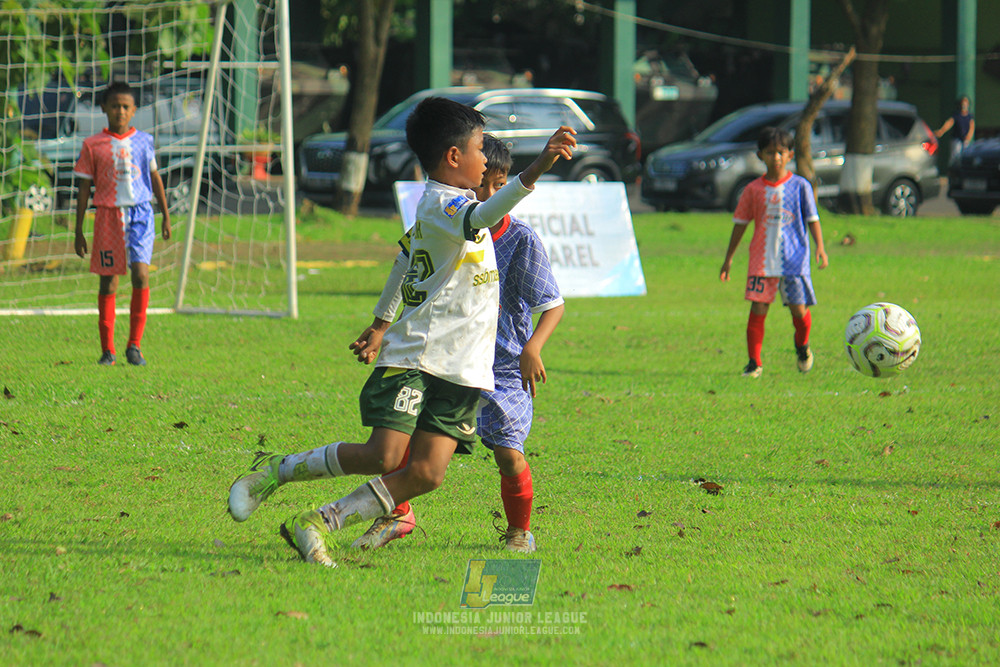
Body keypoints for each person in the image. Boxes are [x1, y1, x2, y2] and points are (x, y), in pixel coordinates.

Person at [227, 97, 576, 566]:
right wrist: (539, 167)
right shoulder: (443, 205)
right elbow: (477, 220)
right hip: (418, 357)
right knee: (384, 454)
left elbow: (405, 263)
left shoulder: (462, 208)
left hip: (466, 369)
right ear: (454, 157)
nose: (485, 159)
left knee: (429, 473)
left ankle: (316, 522)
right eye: (478, 150)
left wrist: (377, 322)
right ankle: (277, 471)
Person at [348, 134, 565, 554]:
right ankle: (397, 515)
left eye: (497, 186)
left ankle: (519, 529)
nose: (486, 194)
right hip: (446, 359)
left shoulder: (520, 240)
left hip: (501, 368)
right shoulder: (445, 219)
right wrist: (380, 324)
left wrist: (532, 347)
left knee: (508, 454)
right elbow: (406, 262)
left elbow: (552, 304)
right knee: (401, 444)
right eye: (480, 185)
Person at [73, 81, 171, 366]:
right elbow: (83, 188)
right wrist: (79, 229)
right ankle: (108, 351)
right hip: (107, 216)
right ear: (104, 108)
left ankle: (134, 346)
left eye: (126, 106)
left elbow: (154, 177)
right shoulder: (92, 145)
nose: (120, 111)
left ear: (134, 110)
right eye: (115, 106)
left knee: (141, 274)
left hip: (140, 214)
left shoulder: (144, 140)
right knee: (109, 281)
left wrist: (164, 214)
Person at [719, 126, 828, 378]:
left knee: (799, 311)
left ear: (790, 155)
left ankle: (802, 347)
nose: (775, 157)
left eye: (780, 152)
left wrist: (820, 247)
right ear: (760, 155)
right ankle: (754, 362)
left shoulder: (801, 186)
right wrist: (729, 259)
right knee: (758, 309)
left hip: (794, 260)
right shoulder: (753, 190)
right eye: (770, 152)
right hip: (761, 260)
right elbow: (740, 224)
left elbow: (813, 218)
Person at [935, 95, 975, 164]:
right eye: (963, 103)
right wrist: (941, 131)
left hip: (966, 141)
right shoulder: (956, 115)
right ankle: (952, 171)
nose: (964, 105)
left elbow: (972, 127)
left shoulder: (970, 116)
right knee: (955, 157)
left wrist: (968, 137)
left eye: (965, 103)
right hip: (956, 140)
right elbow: (949, 123)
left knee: (965, 157)